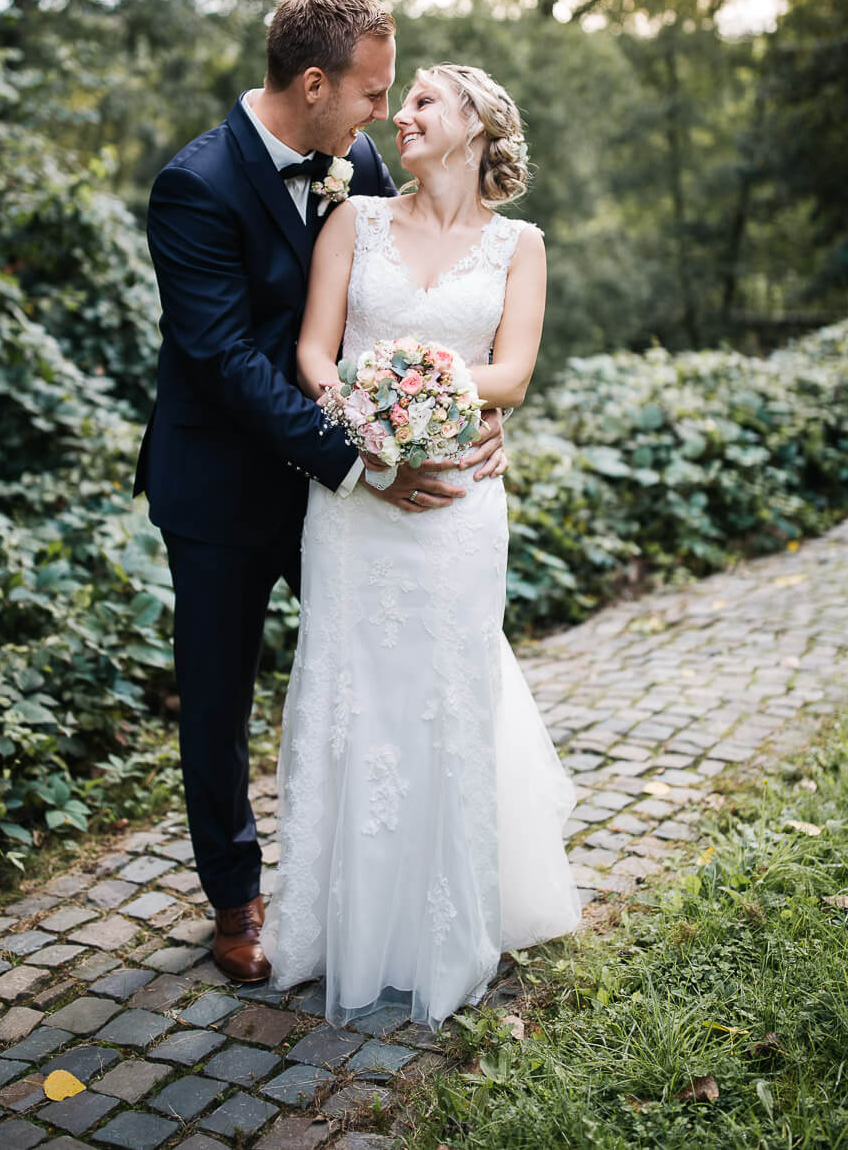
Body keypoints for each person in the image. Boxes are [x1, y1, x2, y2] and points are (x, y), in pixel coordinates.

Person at [134, 0, 506, 985]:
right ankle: (237, 897)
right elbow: (223, 360)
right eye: (373, 91)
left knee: (383, 670)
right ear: (312, 82)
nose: (385, 113)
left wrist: (454, 405)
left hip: (342, 489)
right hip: (221, 488)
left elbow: (394, 300)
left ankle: (390, 881)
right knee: (216, 700)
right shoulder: (195, 186)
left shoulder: (362, 162)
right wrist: (353, 457)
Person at [262, 63, 581, 1029]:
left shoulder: (520, 246)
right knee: (354, 689)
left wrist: (434, 394)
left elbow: (513, 372)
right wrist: (366, 418)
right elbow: (314, 353)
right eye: (399, 101)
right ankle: (335, 924)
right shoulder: (351, 222)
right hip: (357, 502)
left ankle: (442, 926)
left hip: (459, 504)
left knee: (447, 694)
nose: (398, 114)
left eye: (424, 101)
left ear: (478, 125)